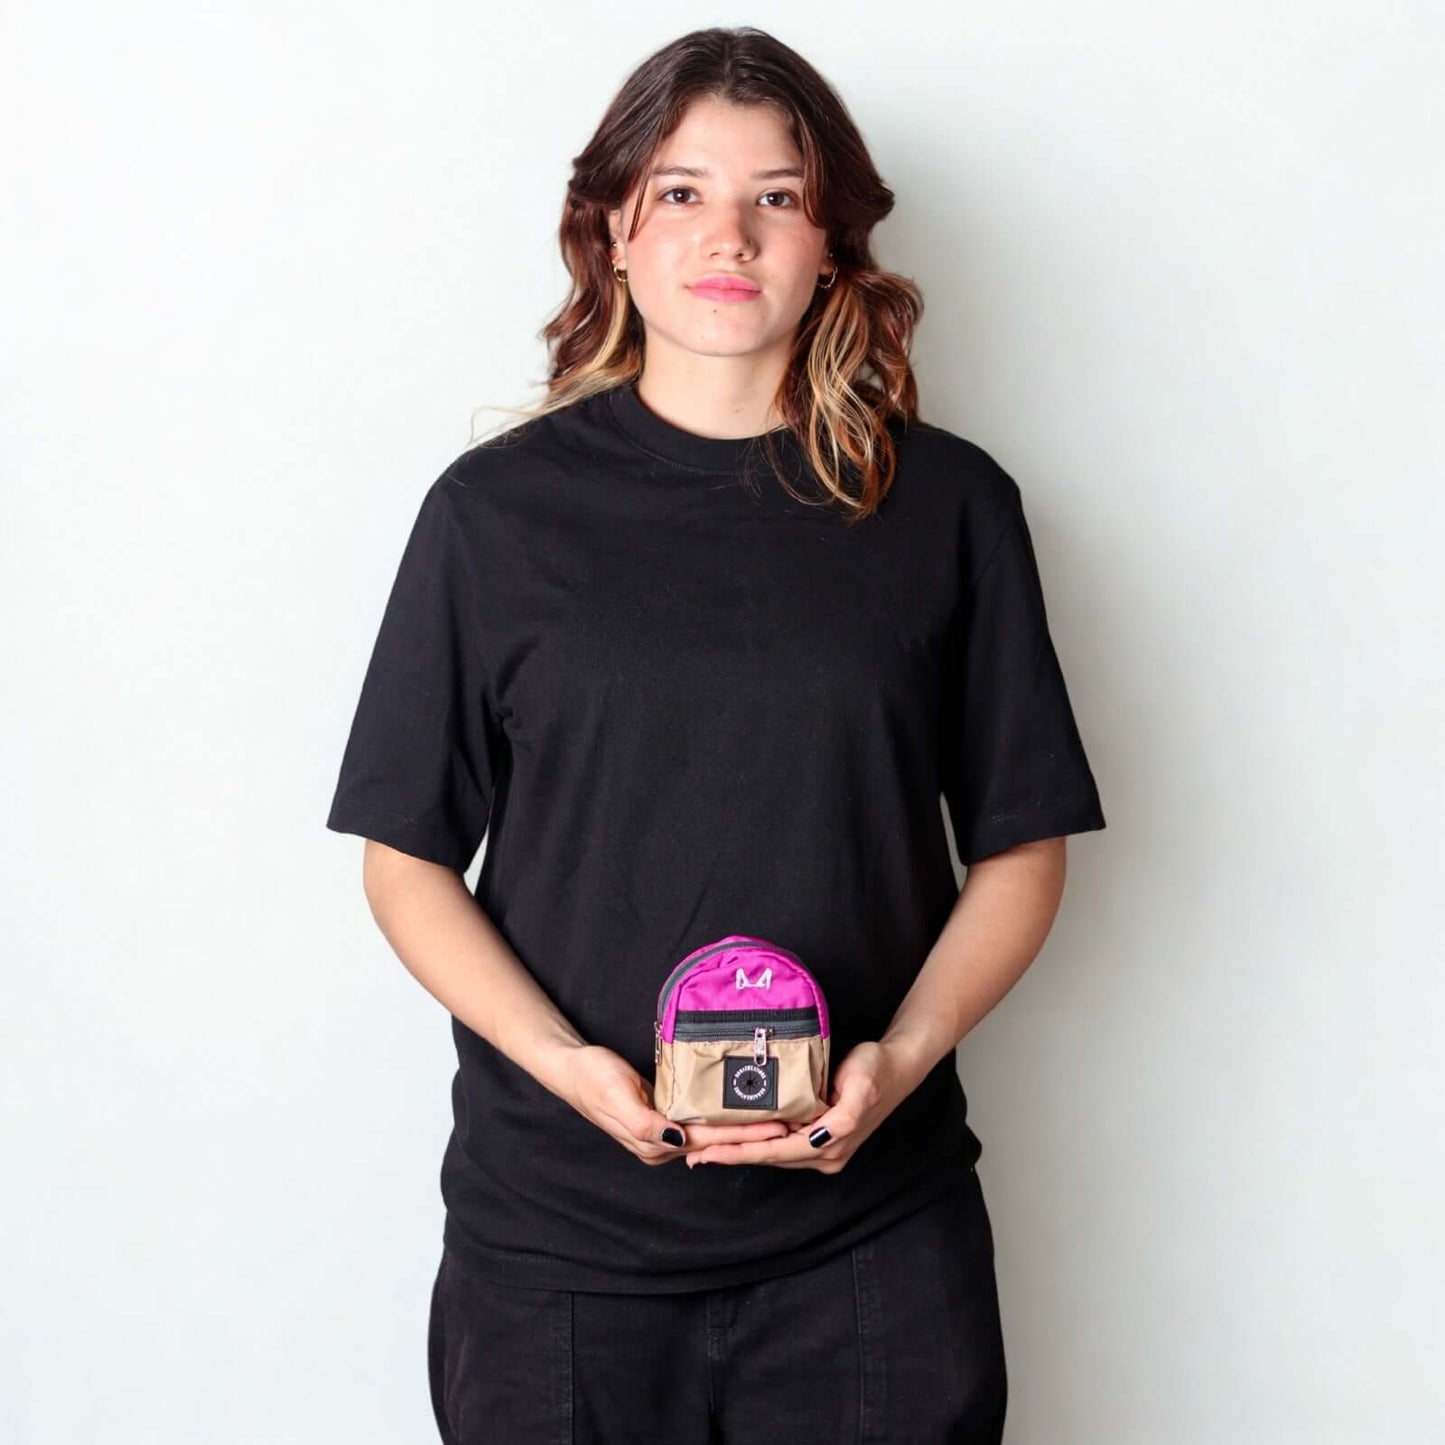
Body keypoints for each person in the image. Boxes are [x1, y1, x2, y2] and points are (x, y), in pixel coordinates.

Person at [325, 25, 1105, 1445]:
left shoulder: (948, 511)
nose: (726, 233)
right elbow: (404, 860)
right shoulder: (492, 518)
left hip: (870, 1246)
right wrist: (566, 1069)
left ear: (830, 244)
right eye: (678, 192)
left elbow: (1020, 846)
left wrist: (902, 1056)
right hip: (559, 1248)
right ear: (611, 230)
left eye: (777, 196)